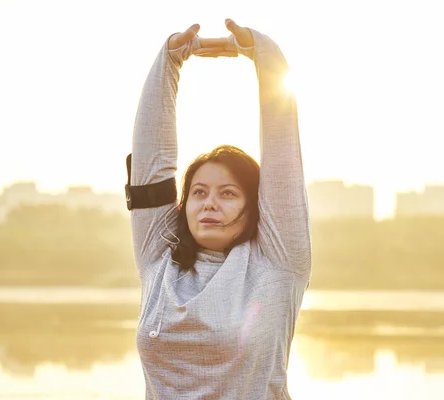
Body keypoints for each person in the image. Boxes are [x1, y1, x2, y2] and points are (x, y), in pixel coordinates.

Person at [127, 18, 311, 399]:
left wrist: (265, 57)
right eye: (198, 192)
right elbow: (150, 165)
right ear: (184, 204)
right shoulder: (159, 259)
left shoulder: (277, 264)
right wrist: (169, 61)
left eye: (228, 193)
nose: (209, 203)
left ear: (255, 204)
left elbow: (282, 159)